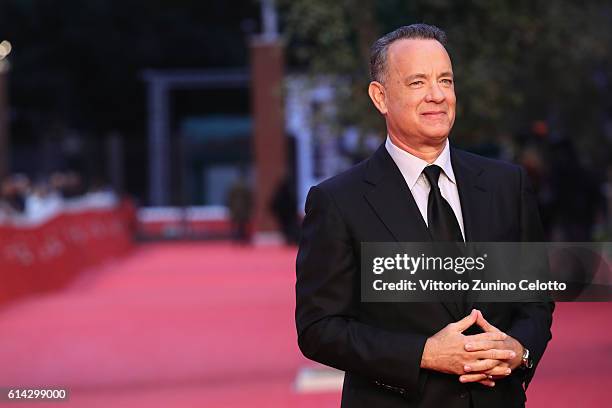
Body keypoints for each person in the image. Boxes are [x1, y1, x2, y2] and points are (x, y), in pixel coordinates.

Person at [295, 24, 554, 407]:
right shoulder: (338, 201)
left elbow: (534, 300)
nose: (437, 96)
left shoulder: (506, 185)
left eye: (445, 80)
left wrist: (521, 351)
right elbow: (319, 328)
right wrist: (424, 354)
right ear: (380, 97)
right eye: (417, 83)